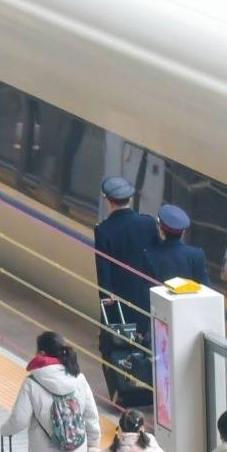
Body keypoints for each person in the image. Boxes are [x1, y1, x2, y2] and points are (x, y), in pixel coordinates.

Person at [93, 173, 162, 405]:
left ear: (108, 201)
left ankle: (124, 393)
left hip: (119, 303)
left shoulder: (104, 230)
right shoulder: (148, 224)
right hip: (146, 299)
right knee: (147, 346)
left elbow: (104, 272)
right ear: (130, 200)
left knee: (116, 347)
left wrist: (106, 302)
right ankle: (149, 392)